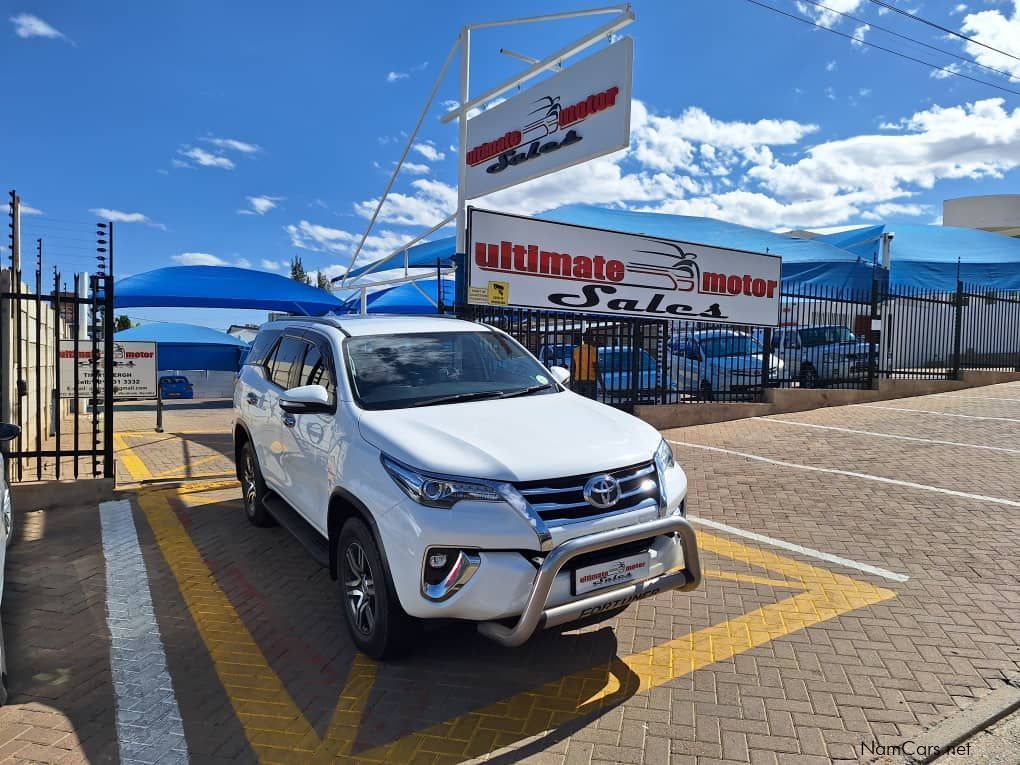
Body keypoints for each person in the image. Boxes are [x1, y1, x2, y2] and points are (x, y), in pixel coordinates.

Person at [571, 331, 600, 399]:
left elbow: (573, 367)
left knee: (579, 401)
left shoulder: (576, 350)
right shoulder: (593, 350)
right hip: (590, 380)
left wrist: (572, 382)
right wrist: (601, 383)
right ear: (592, 339)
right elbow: (596, 367)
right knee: (590, 401)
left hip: (578, 380)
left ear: (583, 339)